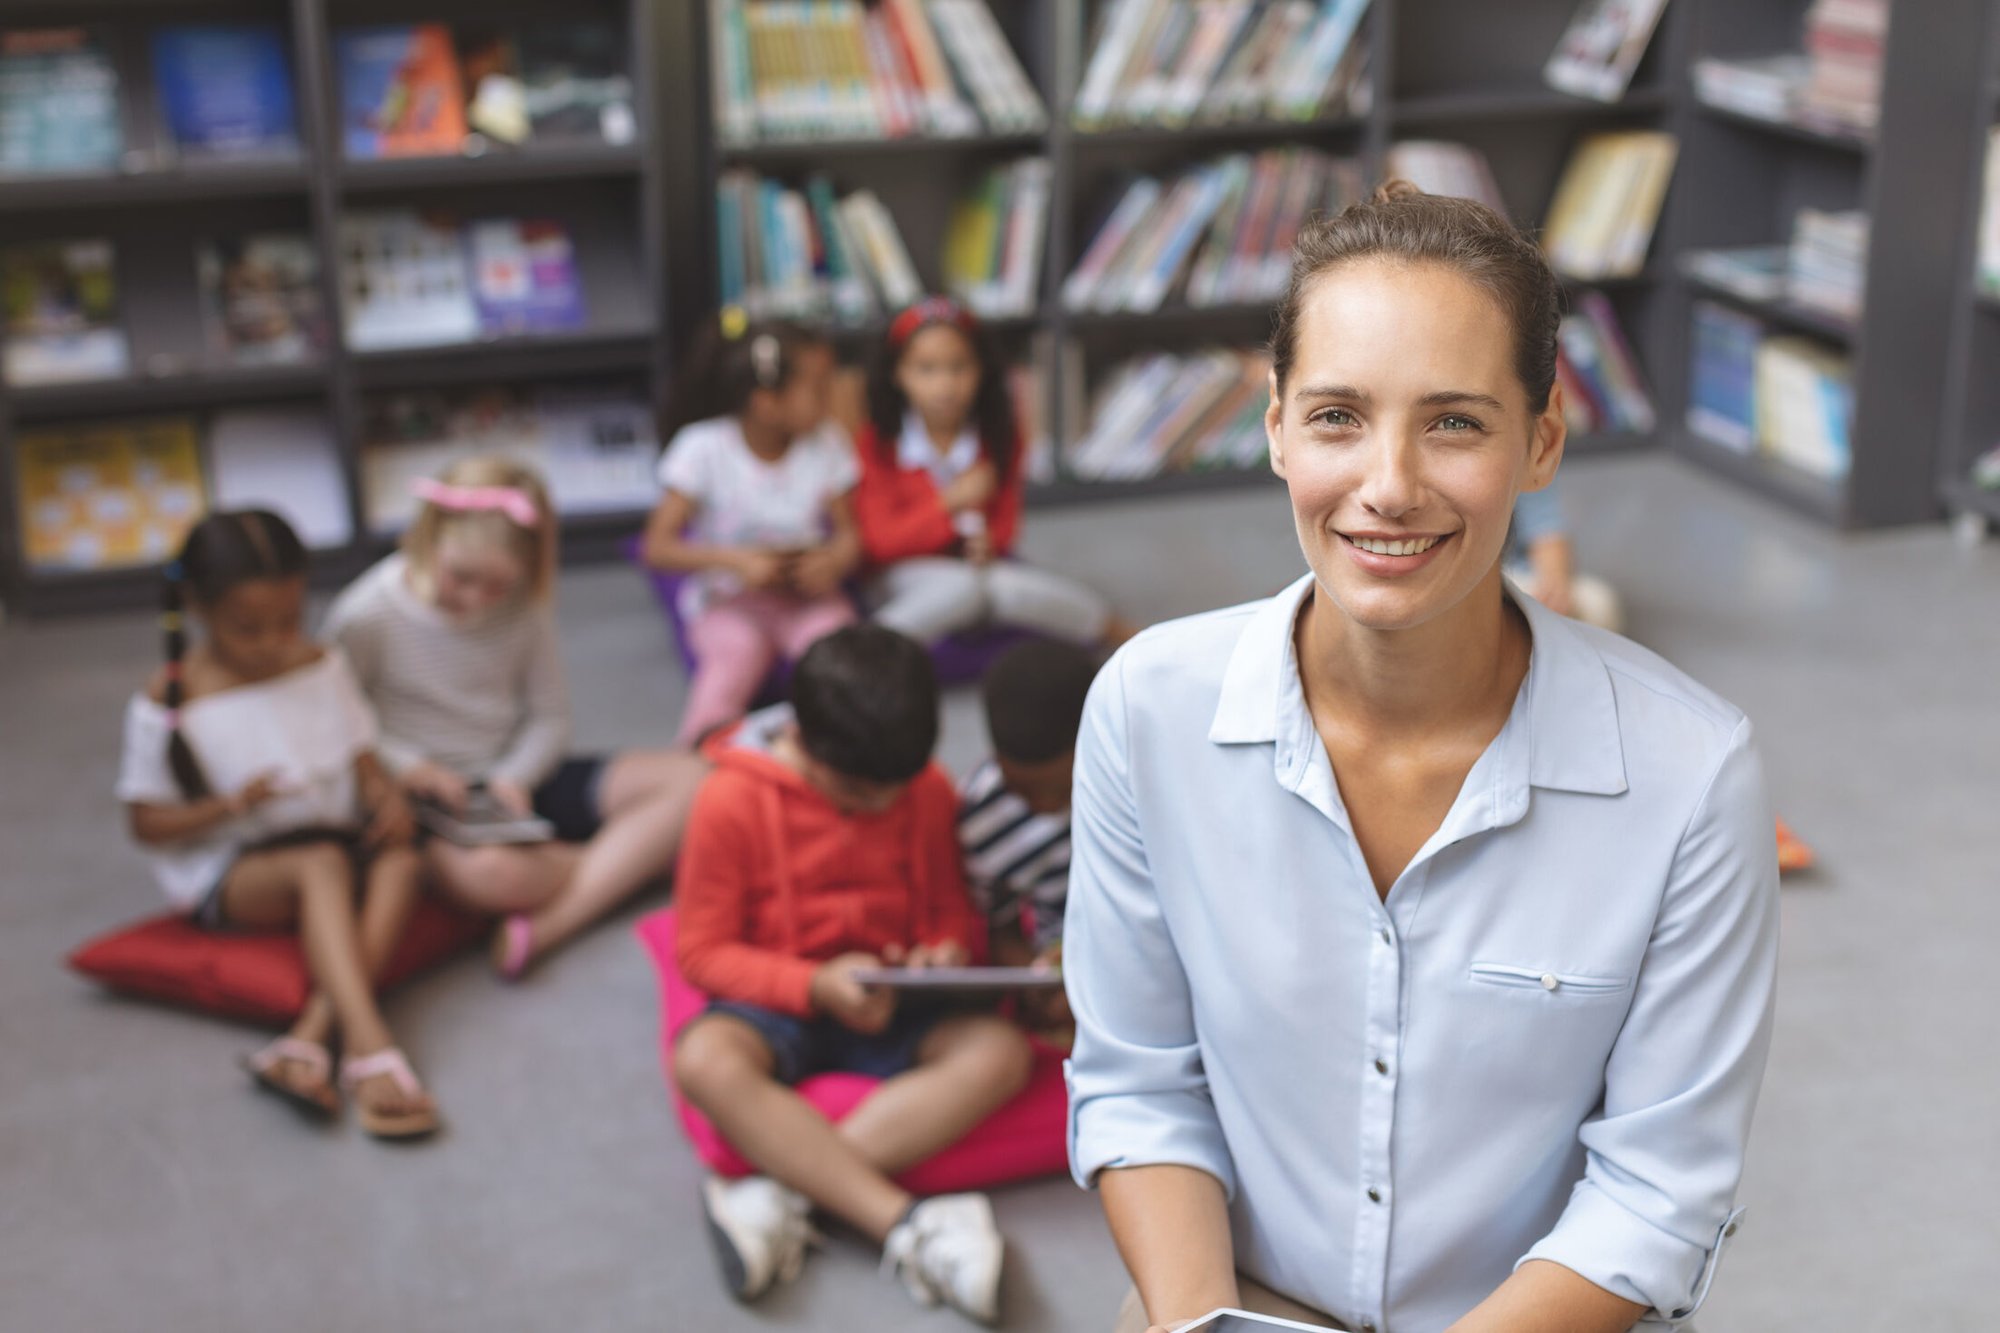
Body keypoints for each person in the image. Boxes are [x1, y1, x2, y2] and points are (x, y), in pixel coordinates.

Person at [1064, 182, 1780, 1333]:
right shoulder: (1146, 709)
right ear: (1274, 426)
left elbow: (1654, 1193)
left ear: (1540, 442)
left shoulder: (1690, 776)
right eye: (1337, 415)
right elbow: (1140, 1083)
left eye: (1451, 421)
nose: (1386, 486)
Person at [672, 625, 1033, 1323]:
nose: (878, 805)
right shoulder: (729, 801)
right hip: (780, 997)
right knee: (703, 1059)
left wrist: (941, 954)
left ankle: (785, 1195)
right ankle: (904, 1222)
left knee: (1001, 1052)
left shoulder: (922, 788)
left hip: (891, 996)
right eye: (858, 790)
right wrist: (812, 984)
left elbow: (952, 914)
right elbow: (703, 952)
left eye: (892, 790)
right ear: (804, 739)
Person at [116, 510, 440, 1140]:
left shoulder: (320, 664)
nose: (273, 642)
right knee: (319, 864)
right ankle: (370, 1042)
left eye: (289, 621)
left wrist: (386, 801)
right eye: (249, 628)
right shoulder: (169, 703)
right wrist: (229, 807)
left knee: (403, 859)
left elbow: (364, 763)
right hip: (237, 869)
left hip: (331, 842)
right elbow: (146, 825)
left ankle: (310, 1038)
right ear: (199, 608)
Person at [324, 457, 709, 981]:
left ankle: (554, 921)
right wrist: (412, 766)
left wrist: (514, 777)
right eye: (461, 577)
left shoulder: (524, 607)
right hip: (429, 801)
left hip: (512, 779)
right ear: (427, 536)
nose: (478, 600)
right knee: (497, 876)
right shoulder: (365, 614)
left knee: (697, 780)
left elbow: (549, 718)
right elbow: (340, 723)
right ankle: (634, 858)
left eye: (498, 587)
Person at [854, 297, 1133, 649]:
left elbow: (1005, 526)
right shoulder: (877, 443)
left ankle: (1124, 636)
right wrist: (949, 503)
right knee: (978, 587)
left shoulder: (999, 436)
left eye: (959, 368)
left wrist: (989, 544)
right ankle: (863, 649)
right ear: (897, 373)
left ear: (981, 370)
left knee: (997, 588)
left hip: (975, 570)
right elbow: (880, 544)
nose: (945, 385)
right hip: (899, 575)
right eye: (927, 369)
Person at [644, 311, 862, 745]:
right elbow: (657, 547)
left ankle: (829, 755)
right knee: (734, 657)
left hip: (807, 598)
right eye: (818, 390)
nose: (830, 399)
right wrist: (735, 561)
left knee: (840, 661)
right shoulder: (702, 449)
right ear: (766, 403)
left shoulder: (828, 444)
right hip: (731, 601)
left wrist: (834, 560)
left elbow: (850, 534)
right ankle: (705, 761)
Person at [960, 638, 1099, 1032]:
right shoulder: (982, 818)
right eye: (1022, 791)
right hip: (1068, 959)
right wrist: (1038, 984)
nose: (1043, 806)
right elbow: (1001, 927)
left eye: (1061, 790)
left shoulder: (1141, 778)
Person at [1508, 479, 1624, 632]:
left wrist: (1554, 584)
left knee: (1597, 604)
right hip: (1490, 578)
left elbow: (1547, 529)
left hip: (1521, 576)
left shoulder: (1523, 467)